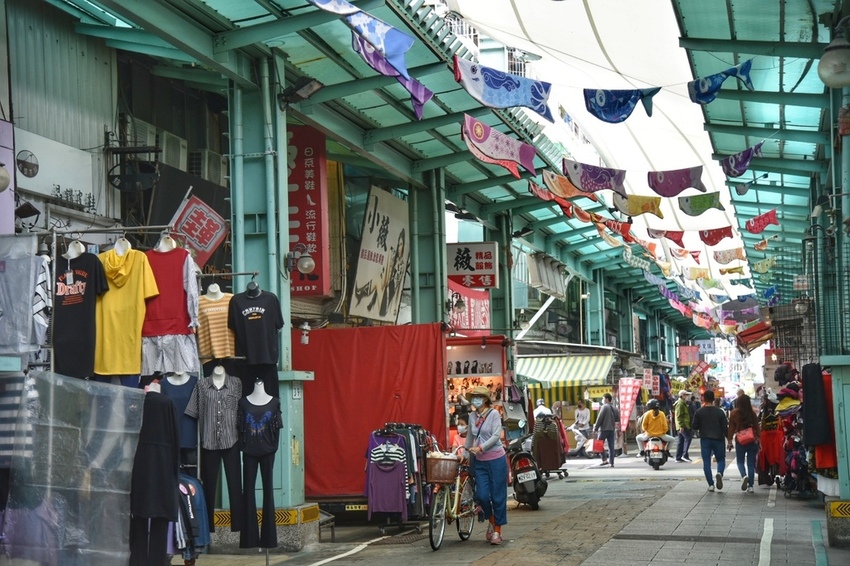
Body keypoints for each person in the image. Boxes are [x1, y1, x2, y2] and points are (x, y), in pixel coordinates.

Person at [464, 386, 508, 546]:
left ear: (485, 399)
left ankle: (497, 530)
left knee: (497, 496)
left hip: (496, 459)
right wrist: (464, 454)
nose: (475, 399)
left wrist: (481, 447)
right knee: (482, 496)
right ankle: (491, 520)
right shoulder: (471, 416)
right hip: (480, 462)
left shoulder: (494, 414)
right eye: (473, 397)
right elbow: (470, 436)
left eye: (478, 397)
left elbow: (497, 436)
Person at [691, 390, 729, 492]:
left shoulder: (699, 412)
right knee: (721, 459)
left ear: (704, 399)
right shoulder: (720, 412)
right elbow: (725, 428)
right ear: (713, 399)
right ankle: (719, 473)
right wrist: (729, 440)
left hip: (705, 440)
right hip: (718, 439)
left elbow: (694, 426)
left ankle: (711, 485)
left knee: (706, 462)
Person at [727, 394, 761, 493]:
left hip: (740, 441)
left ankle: (743, 476)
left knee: (740, 462)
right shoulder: (752, 413)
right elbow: (757, 427)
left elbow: (731, 428)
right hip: (752, 440)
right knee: (751, 463)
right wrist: (759, 440)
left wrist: (729, 441)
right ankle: (751, 486)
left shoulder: (734, 413)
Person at [593, 393, 617, 467]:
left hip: (604, 429)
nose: (602, 400)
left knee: (598, 444)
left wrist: (595, 428)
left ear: (606, 399)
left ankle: (604, 459)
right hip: (612, 429)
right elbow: (617, 418)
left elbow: (600, 418)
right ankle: (611, 462)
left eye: (603, 398)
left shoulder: (604, 407)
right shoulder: (614, 408)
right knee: (611, 446)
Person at [674, 390, 693, 463]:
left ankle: (678, 457)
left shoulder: (683, 403)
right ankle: (684, 455)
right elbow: (679, 416)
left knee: (681, 441)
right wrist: (681, 426)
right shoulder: (680, 404)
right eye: (685, 395)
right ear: (681, 395)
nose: (686, 397)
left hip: (683, 425)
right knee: (688, 438)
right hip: (683, 425)